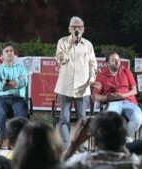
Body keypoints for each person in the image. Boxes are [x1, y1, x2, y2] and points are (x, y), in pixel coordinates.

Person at [54, 16, 98, 148]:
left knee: (82, 119)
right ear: (69, 29)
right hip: (65, 87)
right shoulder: (62, 42)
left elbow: (93, 64)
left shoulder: (88, 44)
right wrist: (69, 45)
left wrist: (91, 80)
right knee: (64, 118)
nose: (77, 29)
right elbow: (60, 60)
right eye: (74, 26)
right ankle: (67, 146)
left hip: (82, 88)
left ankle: (80, 146)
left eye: (79, 27)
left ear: (83, 30)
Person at [93, 52, 142, 141]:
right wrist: (107, 97)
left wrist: (122, 95)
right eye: (114, 60)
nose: (117, 62)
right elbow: (95, 96)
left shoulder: (126, 71)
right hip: (113, 103)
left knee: (138, 119)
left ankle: (123, 138)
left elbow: (134, 90)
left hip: (129, 102)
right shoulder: (101, 76)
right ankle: (121, 141)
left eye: (118, 60)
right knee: (110, 121)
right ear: (107, 63)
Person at [63, 112, 140, 169]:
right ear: (124, 137)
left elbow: (55, 165)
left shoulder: (79, 161)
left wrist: (74, 144)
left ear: (94, 140)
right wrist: (120, 138)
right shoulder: (135, 163)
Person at [0, 42, 28, 147]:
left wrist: (4, 82)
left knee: (20, 115)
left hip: (17, 98)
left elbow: (23, 82)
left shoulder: (21, 68)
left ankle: (16, 141)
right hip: (0, 99)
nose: (9, 53)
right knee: (0, 113)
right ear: (1, 56)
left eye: (11, 51)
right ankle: (3, 140)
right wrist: (15, 82)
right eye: (6, 51)